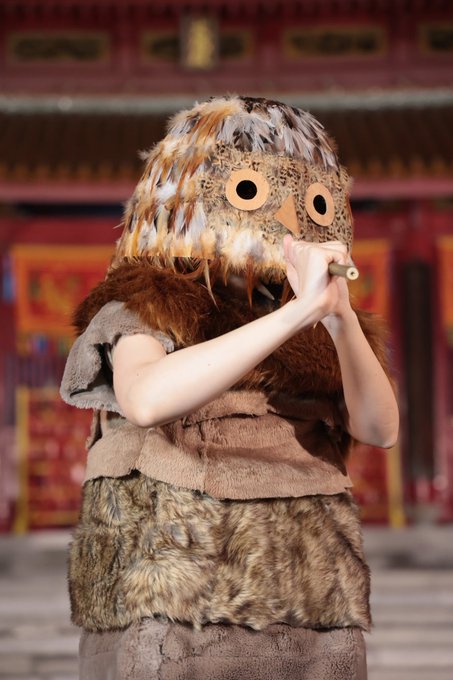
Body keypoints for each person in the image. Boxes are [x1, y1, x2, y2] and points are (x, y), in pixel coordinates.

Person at [61, 95, 399, 680]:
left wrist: (339, 317)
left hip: (311, 603)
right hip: (175, 606)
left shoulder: (320, 325)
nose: (289, 215)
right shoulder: (146, 303)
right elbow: (146, 399)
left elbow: (380, 428)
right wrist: (294, 316)